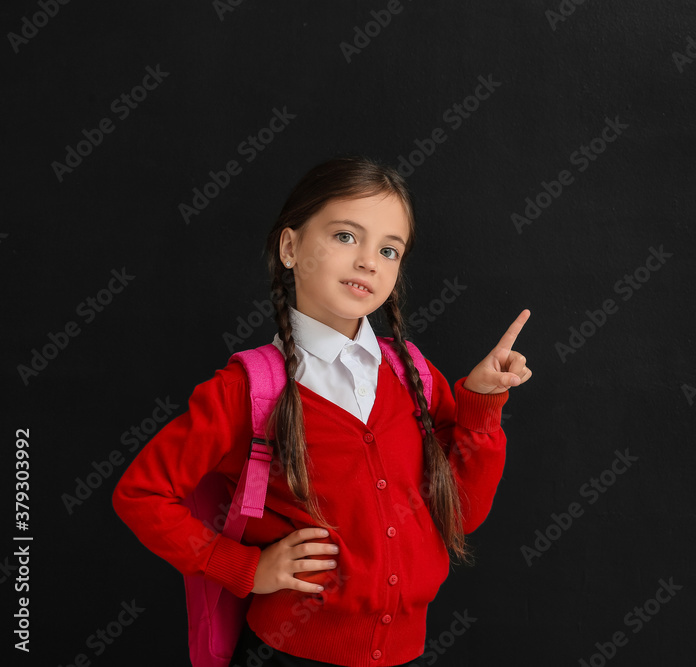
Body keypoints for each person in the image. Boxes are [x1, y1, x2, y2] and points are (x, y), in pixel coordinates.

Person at [111, 155, 532, 667]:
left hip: (404, 655)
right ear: (290, 248)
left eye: (389, 249)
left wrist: (481, 403)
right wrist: (245, 568)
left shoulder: (417, 377)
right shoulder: (245, 390)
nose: (369, 262)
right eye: (346, 236)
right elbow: (141, 494)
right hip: (288, 652)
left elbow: (461, 515)